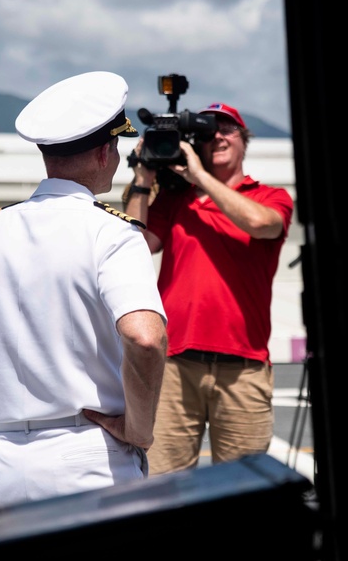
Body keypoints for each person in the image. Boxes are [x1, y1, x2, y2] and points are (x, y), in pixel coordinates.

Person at [0, 71, 168, 509]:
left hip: (10, 460)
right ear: (106, 152)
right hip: (92, 455)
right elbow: (145, 336)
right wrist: (138, 431)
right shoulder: (112, 234)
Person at [123, 102, 294, 474]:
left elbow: (260, 224)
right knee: (163, 488)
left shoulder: (269, 196)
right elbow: (132, 246)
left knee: (244, 490)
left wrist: (199, 178)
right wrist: (144, 177)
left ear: (244, 141)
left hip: (243, 368)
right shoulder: (174, 199)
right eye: (207, 131)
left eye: (228, 129)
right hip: (173, 365)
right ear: (194, 145)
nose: (217, 136)